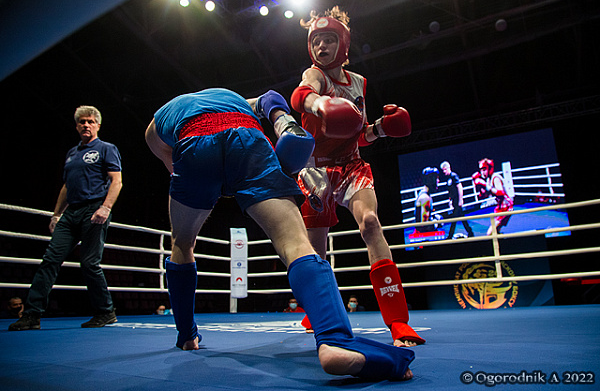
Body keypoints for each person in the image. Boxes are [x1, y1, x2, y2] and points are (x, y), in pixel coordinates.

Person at [145, 87, 414, 380]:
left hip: (194, 141)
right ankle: (335, 341)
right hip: (247, 136)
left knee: (182, 243)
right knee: (295, 243)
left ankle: (187, 336)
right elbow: (271, 98)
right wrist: (284, 123)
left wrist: (205, 179)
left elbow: (174, 164)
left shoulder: (161, 121)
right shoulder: (234, 99)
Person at [289, 7, 424, 347]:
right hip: (316, 170)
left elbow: (358, 133)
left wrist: (382, 128)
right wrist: (320, 104)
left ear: (344, 44)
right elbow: (300, 97)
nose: (321, 46)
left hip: (351, 165)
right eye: (316, 41)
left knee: (371, 224)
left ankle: (398, 322)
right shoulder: (315, 75)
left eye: (328, 40)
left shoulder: (359, 83)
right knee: (316, 252)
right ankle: (317, 310)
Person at [9, 106, 122, 331]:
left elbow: (116, 180)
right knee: (50, 260)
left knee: (89, 263)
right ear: (77, 126)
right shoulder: (72, 153)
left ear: (98, 125)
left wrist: (106, 207)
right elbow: (66, 187)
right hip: (70, 213)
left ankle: (105, 312)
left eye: (90, 121)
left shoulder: (106, 148)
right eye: (82, 122)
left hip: (94, 209)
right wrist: (56, 214)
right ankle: (31, 315)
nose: (86, 125)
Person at [472, 158, 513, 235]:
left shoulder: (495, 178)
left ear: (489, 168)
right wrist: (480, 188)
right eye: (481, 170)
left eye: (484, 170)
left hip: (506, 206)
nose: (483, 172)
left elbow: (501, 193)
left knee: (490, 233)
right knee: (496, 231)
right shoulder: (489, 179)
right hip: (500, 206)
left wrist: (485, 186)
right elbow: (485, 196)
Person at [440, 161, 474, 239]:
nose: (444, 172)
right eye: (443, 170)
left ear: (448, 168)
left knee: (454, 219)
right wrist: (450, 200)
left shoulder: (454, 176)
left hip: (457, 200)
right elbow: (450, 191)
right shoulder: (448, 178)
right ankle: (470, 232)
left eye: (445, 169)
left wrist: (460, 200)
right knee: (461, 218)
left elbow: (459, 187)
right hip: (454, 201)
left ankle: (450, 235)